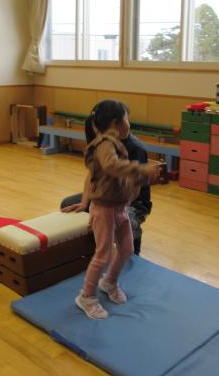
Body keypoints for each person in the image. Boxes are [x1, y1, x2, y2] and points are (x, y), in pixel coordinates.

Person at [74, 100, 162, 320]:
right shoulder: (105, 144)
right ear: (116, 123)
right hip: (104, 209)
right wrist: (141, 169)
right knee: (103, 255)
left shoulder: (118, 145)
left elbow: (121, 177)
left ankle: (109, 282)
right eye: (127, 119)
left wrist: (146, 176)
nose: (129, 124)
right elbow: (112, 166)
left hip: (120, 207)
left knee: (126, 249)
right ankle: (86, 297)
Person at [61, 131, 153, 255]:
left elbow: (134, 188)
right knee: (68, 204)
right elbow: (92, 174)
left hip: (131, 201)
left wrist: (105, 212)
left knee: (120, 223)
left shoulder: (135, 149)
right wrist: (85, 203)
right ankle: (91, 246)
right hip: (106, 196)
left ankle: (134, 243)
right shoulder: (102, 143)